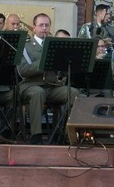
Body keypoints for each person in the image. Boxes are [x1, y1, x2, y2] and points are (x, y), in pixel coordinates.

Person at [16, 13, 80, 144]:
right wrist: (43, 61)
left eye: (47, 25)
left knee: (73, 93)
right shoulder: (25, 46)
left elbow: (62, 72)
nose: (44, 28)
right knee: (37, 93)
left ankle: (65, 133)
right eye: (41, 25)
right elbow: (23, 71)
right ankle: (36, 135)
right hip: (30, 85)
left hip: (52, 86)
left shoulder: (55, 45)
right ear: (34, 28)